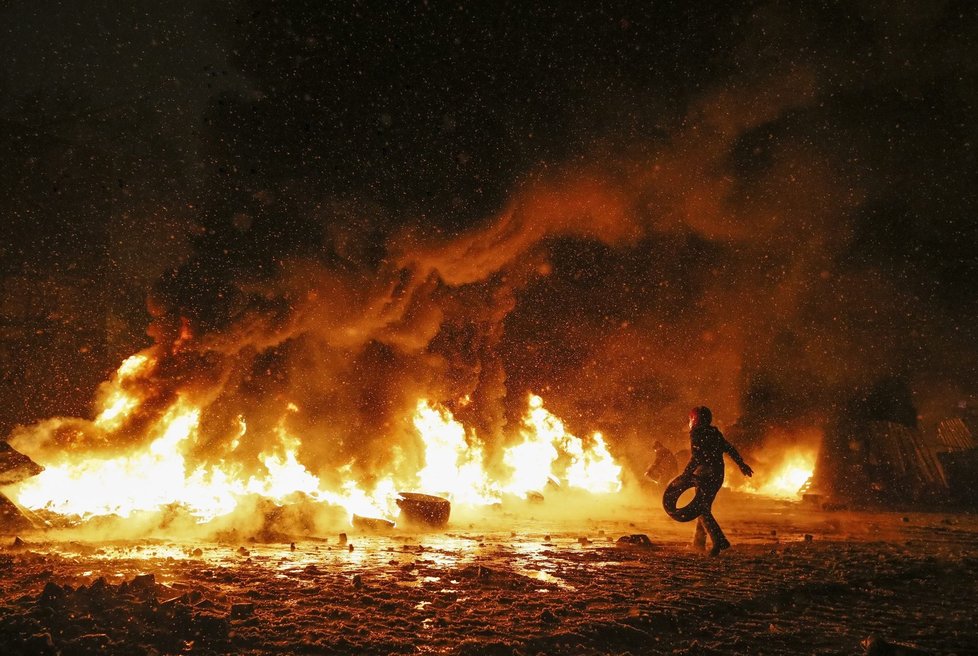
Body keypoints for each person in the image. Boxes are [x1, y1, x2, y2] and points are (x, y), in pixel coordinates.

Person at [681, 406, 752, 556]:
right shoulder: (714, 432)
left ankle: (719, 540)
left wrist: (685, 474)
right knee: (703, 507)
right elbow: (729, 448)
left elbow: (697, 457)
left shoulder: (697, 433)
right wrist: (741, 464)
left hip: (705, 475)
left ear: (694, 419)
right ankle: (698, 543)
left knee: (701, 509)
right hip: (718, 474)